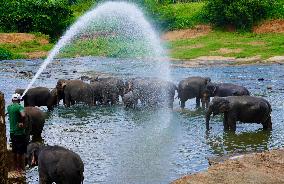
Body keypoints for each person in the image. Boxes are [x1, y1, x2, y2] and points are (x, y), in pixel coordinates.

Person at [7, 93, 26, 171]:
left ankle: (14, 167)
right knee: (20, 151)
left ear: (12, 100)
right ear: (19, 100)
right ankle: (19, 168)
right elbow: (23, 115)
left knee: (14, 150)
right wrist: (21, 122)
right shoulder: (19, 107)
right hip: (19, 133)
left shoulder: (9, 107)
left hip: (12, 132)